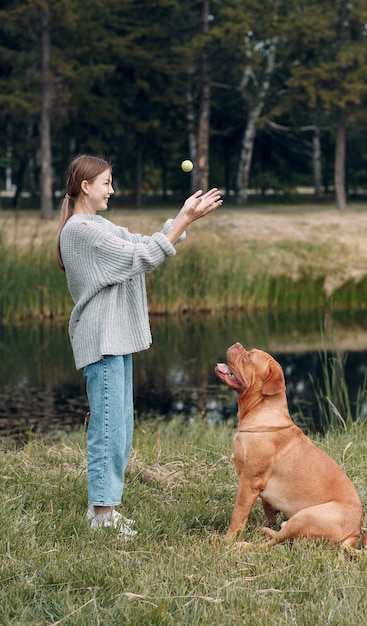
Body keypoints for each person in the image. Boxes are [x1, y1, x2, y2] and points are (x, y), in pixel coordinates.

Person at [57, 154, 223, 537]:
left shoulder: (96, 226)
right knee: (109, 427)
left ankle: (106, 508)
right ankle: (101, 515)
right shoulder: (81, 231)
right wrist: (184, 221)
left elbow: (144, 243)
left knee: (121, 427)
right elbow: (143, 258)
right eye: (106, 184)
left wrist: (183, 217)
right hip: (102, 339)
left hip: (114, 338)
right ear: (85, 186)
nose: (111, 191)